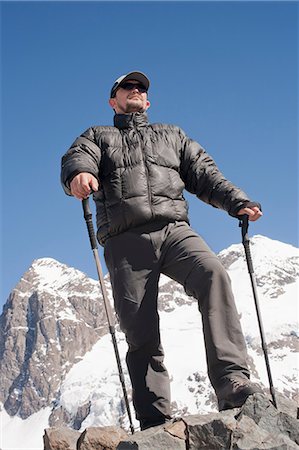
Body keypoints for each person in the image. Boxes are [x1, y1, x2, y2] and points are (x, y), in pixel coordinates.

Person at [61, 70, 263, 430]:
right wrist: (79, 173)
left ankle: (232, 381)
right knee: (140, 329)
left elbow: (206, 175)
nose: (135, 91)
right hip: (125, 242)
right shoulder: (99, 136)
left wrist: (237, 201)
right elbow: (79, 156)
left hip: (174, 231)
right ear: (114, 100)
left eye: (141, 88)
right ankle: (154, 417)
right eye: (128, 87)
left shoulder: (172, 135)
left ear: (148, 101)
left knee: (213, 273)